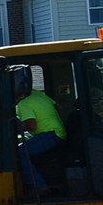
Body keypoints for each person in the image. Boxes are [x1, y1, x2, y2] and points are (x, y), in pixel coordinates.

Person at [14, 67, 66, 196]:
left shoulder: (23, 103)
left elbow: (32, 125)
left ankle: (38, 186)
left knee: (20, 152)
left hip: (51, 135)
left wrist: (19, 127)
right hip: (59, 132)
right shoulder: (36, 93)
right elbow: (58, 108)